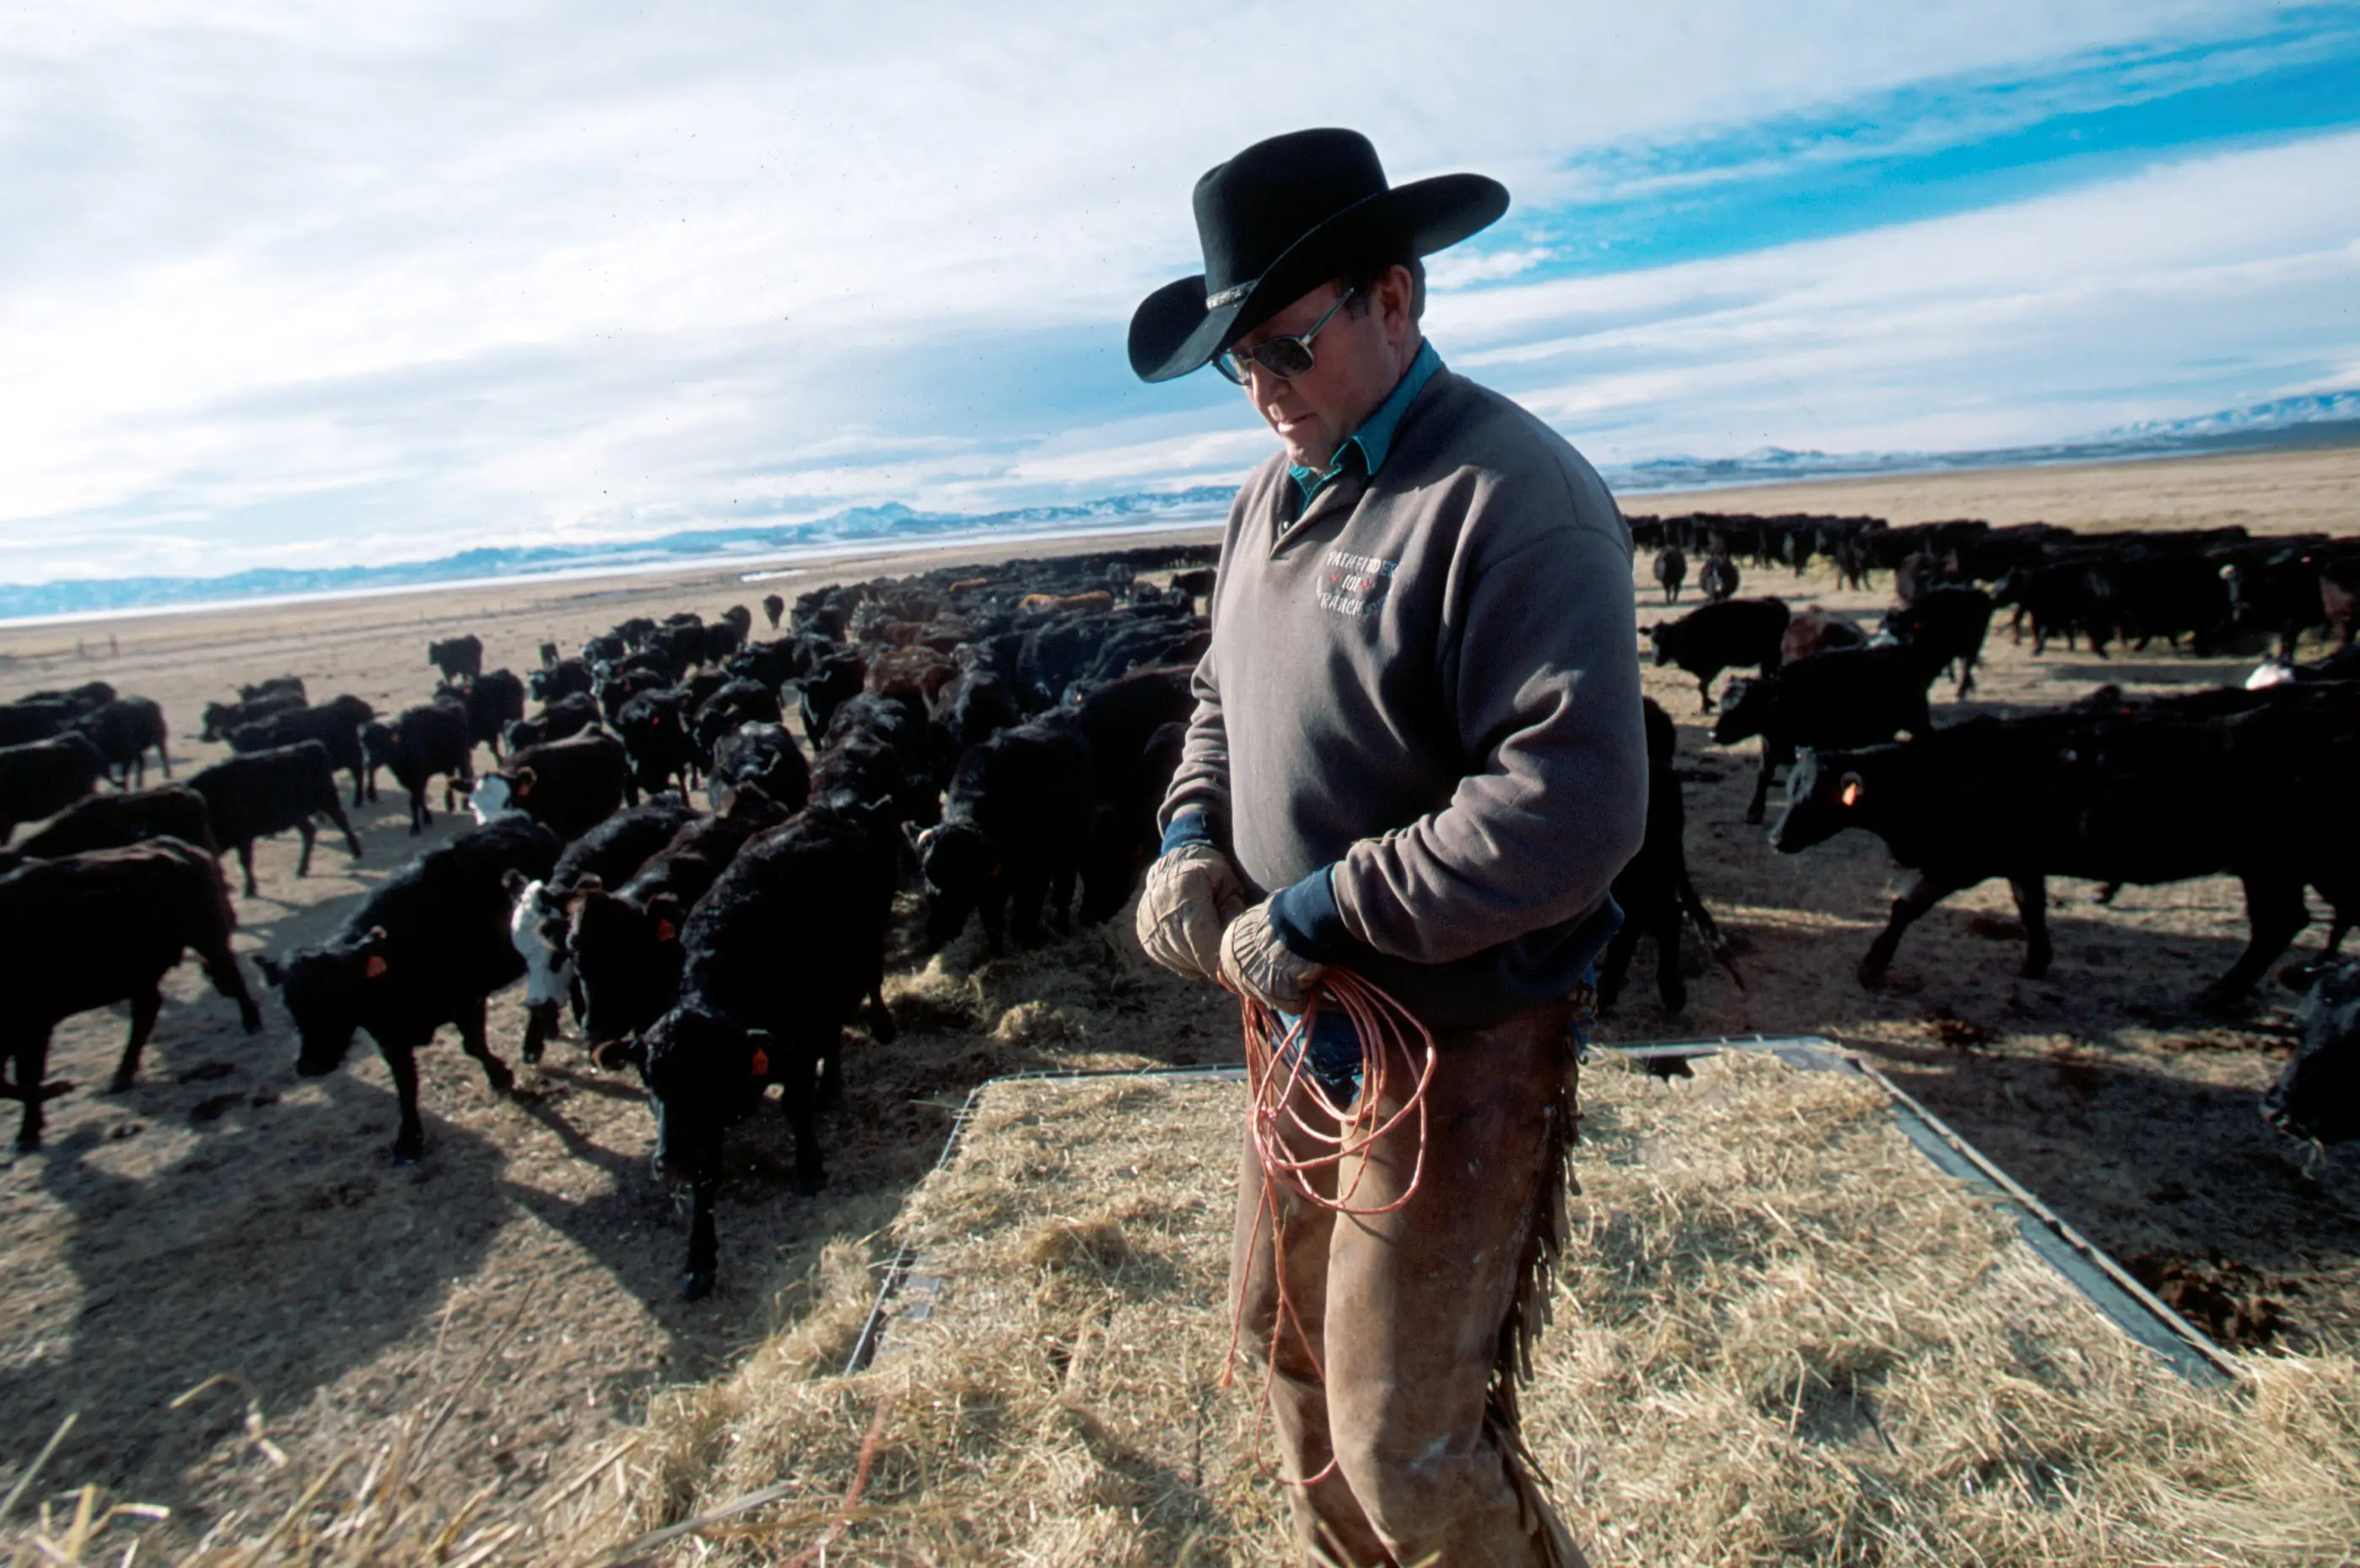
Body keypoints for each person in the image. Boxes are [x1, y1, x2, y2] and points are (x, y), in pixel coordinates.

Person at [1128, 128, 1646, 1566]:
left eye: (1288, 349)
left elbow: (1572, 805)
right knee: (1283, 1355)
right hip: (1304, 1025)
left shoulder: (1508, 496)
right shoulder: (1265, 501)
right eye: (1242, 365)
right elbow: (1222, 695)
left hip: (1458, 1037)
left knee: (1403, 1437)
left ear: (1396, 300)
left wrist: (1319, 909)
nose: (1264, 392)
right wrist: (1186, 831)